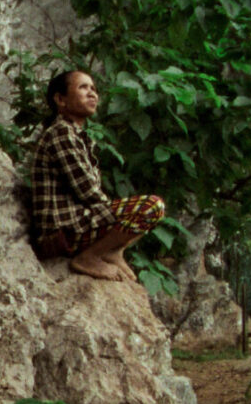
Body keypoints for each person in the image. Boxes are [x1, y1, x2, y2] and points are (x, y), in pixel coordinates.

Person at [30, 70, 165, 282]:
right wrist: (119, 216)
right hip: (61, 232)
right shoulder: (61, 132)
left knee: (141, 212)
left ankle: (111, 251)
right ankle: (90, 256)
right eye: (83, 88)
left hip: (76, 225)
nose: (92, 94)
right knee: (151, 207)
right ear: (60, 99)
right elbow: (88, 192)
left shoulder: (78, 136)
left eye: (93, 89)